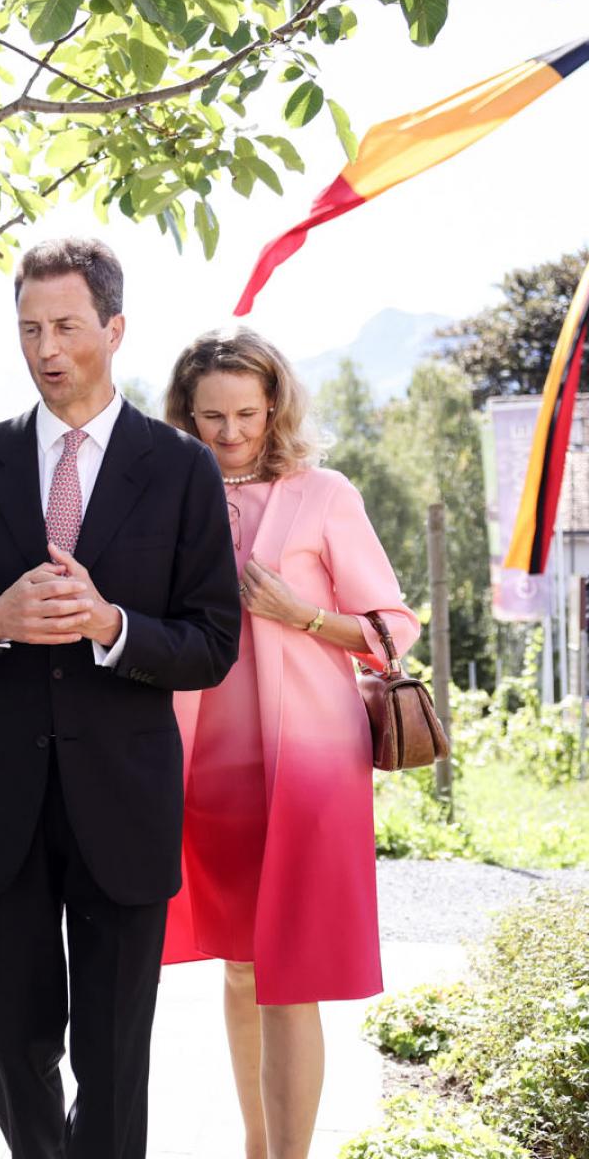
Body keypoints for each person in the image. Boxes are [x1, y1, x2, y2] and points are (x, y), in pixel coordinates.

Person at [0, 237, 241, 1159]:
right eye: (29, 329)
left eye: (67, 327)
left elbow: (213, 643)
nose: (47, 348)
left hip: (124, 808)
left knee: (115, 1059)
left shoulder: (180, 470)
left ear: (115, 329)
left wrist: (111, 626)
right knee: (8, 1037)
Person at [160, 326, 419, 1159]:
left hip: (307, 767)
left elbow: (393, 632)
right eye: (211, 418)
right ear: (185, 416)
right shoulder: (172, 497)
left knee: (290, 976)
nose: (231, 432)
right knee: (237, 966)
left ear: (274, 405)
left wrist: (301, 615)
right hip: (204, 768)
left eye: (246, 413)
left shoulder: (324, 494)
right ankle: (255, 1146)